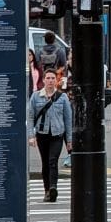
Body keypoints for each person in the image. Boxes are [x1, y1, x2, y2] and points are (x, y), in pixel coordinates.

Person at [28, 68, 72, 202]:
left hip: (57, 135)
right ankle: (47, 190)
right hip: (42, 135)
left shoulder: (62, 97)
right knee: (45, 163)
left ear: (56, 80)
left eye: (53, 78)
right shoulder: (36, 96)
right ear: (43, 80)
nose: (50, 81)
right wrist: (31, 136)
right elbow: (30, 117)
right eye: (48, 78)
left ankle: (53, 187)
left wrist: (69, 140)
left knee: (53, 161)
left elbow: (68, 119)